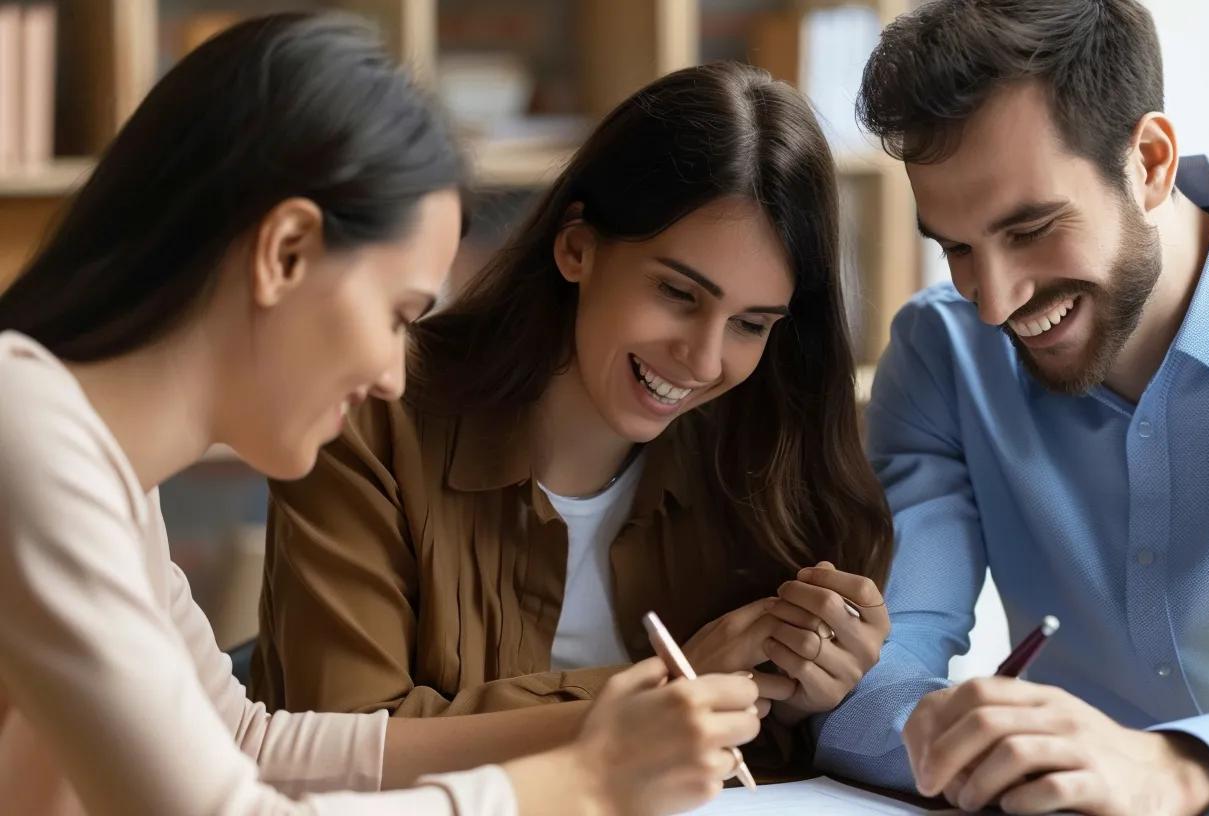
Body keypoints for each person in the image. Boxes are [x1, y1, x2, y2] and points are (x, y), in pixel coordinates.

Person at [0, 14, 761, 815]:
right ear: (285, 251)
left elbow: (247, 744)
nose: (395, 376)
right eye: (398, 313)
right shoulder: (31, 435)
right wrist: (580, 784)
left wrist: (594, 731)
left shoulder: (100, 467)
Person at [811, 2, 1209, 815]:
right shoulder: (940, 357)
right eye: (957, 248)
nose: (993, 302)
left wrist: (1186, 768)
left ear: (1150, 162)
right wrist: (952, 737)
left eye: (1033, 229)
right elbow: (882, 664)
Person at [247, 60, 894, 764]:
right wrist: (671, 687)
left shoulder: (764, 466)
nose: (704, 361)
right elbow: (343, 744)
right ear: (577, 247)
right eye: (679, 294)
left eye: (751, 324)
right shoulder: (370, 412)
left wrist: (815, 696)